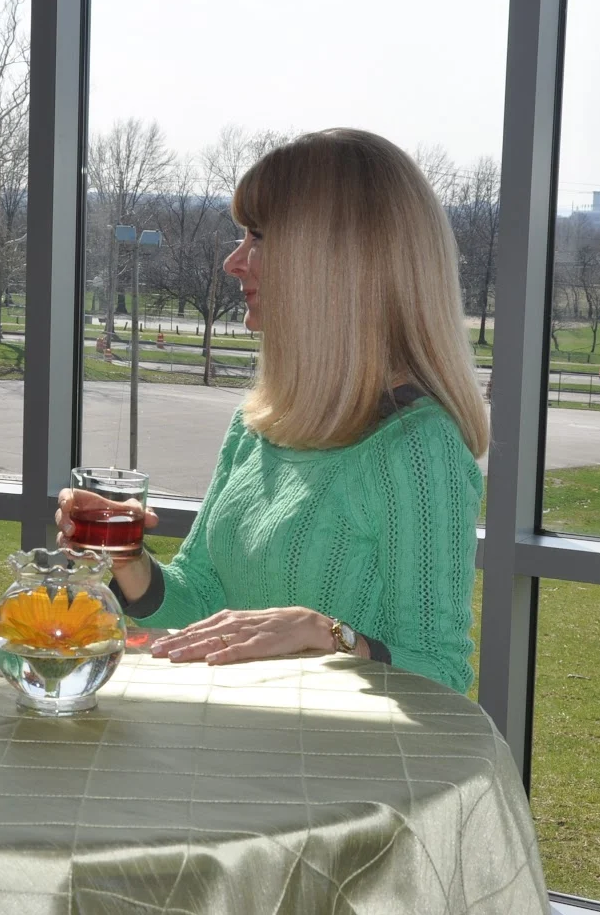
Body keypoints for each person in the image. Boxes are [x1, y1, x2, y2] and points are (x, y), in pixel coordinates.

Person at [57, 129, 489, 693]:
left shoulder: (418, 449)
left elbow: (442, 676)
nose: (233, 262)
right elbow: (201, 601)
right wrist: (127, 561)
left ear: (337, 260)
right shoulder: (259, 425)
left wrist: (327, 634)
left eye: (258, 237)